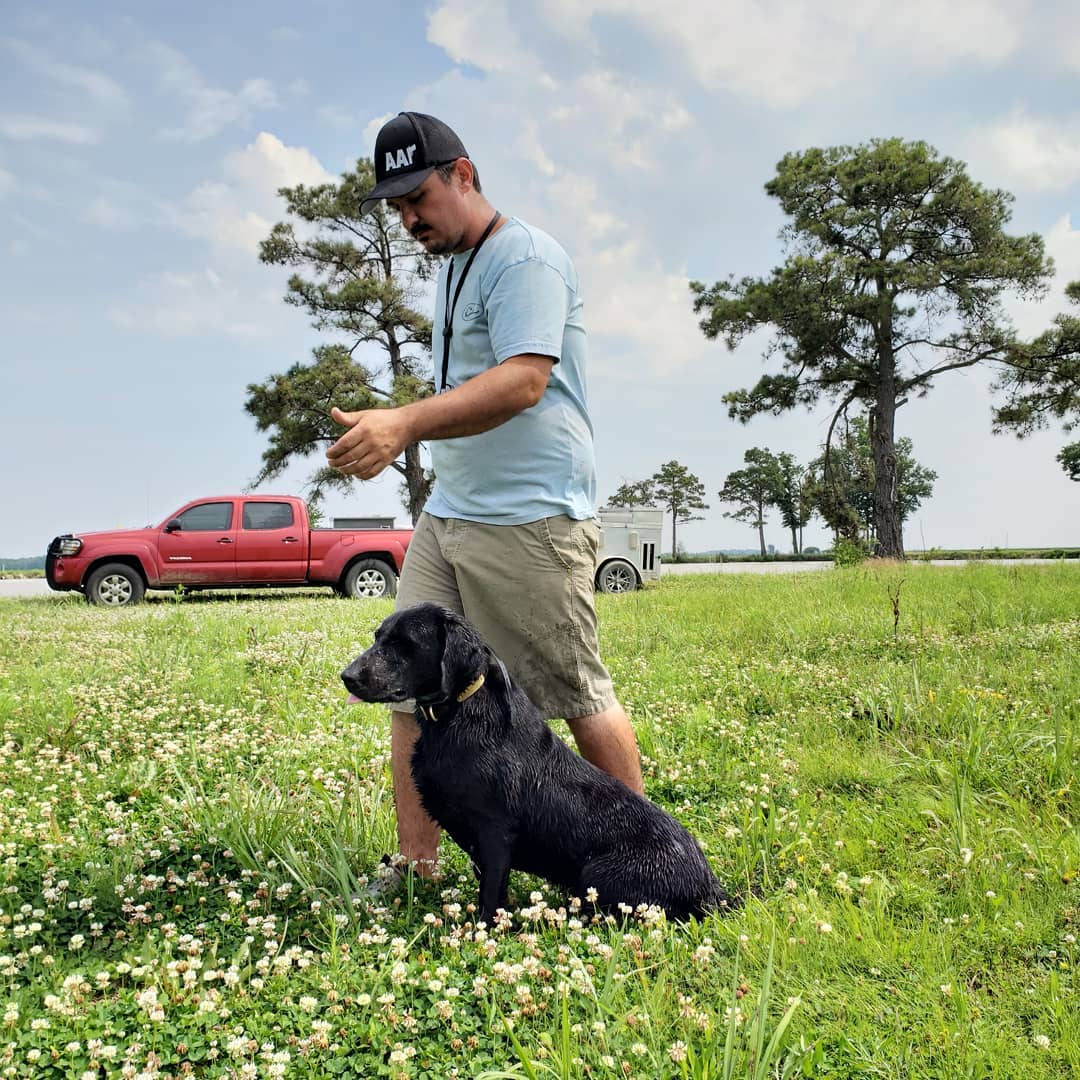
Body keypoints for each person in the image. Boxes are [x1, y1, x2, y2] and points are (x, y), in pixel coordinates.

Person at [328, 111, 644, 882]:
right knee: (406, 684)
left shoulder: (524, 260)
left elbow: (524, 381)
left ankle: (639, 862)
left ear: (463, 175)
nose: (407, 219)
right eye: (395, 207)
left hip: (529, 517)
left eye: (418, 198)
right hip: (453, 512)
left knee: (574, 694)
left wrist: (403, 421)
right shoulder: (452, 268)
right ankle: (416, 865)